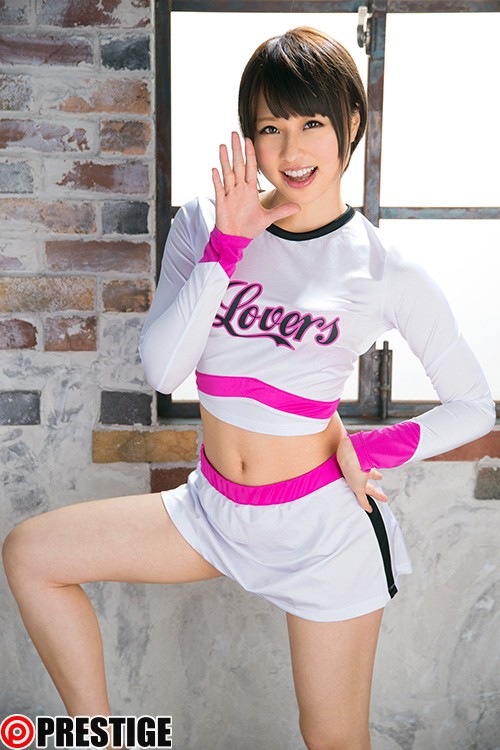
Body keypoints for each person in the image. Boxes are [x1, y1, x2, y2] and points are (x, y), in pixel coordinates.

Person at [2, 26, 495, 750]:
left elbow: (475, 404)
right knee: (32, 555)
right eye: (270, 127)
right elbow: (164, 370)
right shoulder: (204, 224)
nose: (292, 150)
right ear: (249, 137)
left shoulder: (383, 267)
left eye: (313, 122)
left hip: (321, 533)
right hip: (212, 510)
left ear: (351, 122)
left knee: (331, 739)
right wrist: (227, 247)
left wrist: (370, 447)